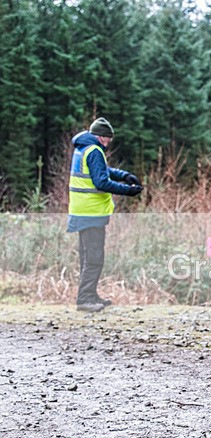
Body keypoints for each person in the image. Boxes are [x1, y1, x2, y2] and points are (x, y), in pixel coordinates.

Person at [67, 117, 142, 312]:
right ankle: (84, 299)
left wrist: (123, 174)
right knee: (94, 257)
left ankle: (90, 295)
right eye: (108, 138)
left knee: (87, 256)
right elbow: (101, 182)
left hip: (81, 210)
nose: (109, 142)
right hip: (91, 211)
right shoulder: (94, 151)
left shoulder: (84, 148)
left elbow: (102, 171)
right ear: (101, 137)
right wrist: (128, 190)